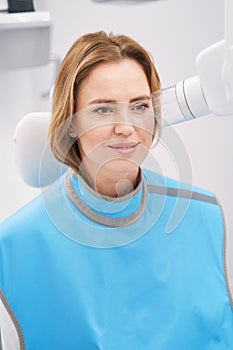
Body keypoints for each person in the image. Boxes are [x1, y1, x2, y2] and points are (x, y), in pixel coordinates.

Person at [0, 31, 233, 350]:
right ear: (70, 122)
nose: (126, 127)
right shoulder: (13, 249)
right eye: (103, 110)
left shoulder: (207, 217)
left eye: (139, 106)